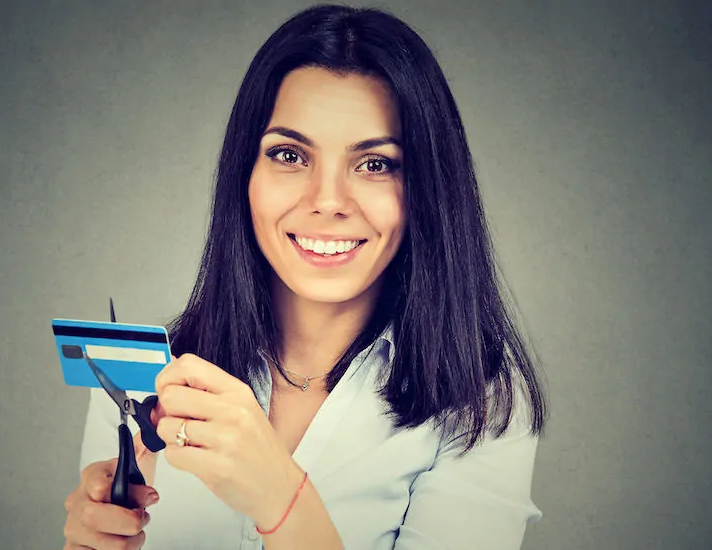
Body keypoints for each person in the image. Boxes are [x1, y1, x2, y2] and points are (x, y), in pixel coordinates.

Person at [62, 4, 547, 549]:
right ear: (244, 175)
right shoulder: (134, 376)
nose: (328, 202)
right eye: (290, 155)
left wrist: (280, 497)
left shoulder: (480, 401)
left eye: (375, 163)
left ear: (425, 189)